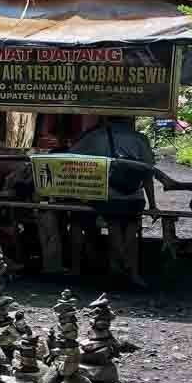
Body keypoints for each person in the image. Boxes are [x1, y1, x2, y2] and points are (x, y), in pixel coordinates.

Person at [60, 115, 156, 287]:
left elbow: (70, 157)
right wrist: (153, 204)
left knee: (114, 228)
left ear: (105, 118)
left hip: (108, 193)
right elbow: (148, 173)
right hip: (135, 194)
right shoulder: (140, 138)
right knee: (131, 232)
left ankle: (120, 264)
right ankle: (132, 272)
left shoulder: (95, 136)